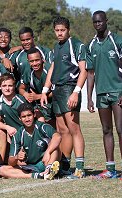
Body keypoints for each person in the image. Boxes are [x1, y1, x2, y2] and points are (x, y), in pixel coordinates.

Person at [41, 16, 87, 179]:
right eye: (57, 31)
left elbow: (84, 70)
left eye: (63, 30)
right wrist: (45, 90)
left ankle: (80, 168)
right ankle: (66, 165)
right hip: (57, 90)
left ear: (68, 30)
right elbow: (52, 68)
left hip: (69, 88)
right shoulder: (56, 46)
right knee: (62, 130)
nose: (60, 33)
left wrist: (76, 91)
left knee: (74, 128)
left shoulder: (76, 45)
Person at [87, 10, 122, 179]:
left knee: (121, 129)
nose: (98, 24)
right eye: (95, 22)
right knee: (106, 130)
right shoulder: (91, 45)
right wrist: (88, 98)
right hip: (101, 94)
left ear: (106, 21)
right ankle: (110, 169)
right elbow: (90, 73)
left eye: (100, 21)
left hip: (118, 92)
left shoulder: (117, 41)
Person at [0, 103, 61, 179]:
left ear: (34, 115)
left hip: (46, 161)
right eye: (24, 117)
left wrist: (48, 152)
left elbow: (58, 137)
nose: (27, 119)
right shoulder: (18, 135)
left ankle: (49, 170)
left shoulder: (42, 127)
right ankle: (37, 175)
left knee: (55, 149)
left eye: (29, 115)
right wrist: (17, 157)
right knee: (2, 170)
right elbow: (10, 161)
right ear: (20, 119)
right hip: (30, 166)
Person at [0, 73, 28, 169]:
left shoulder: (21, 100)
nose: (7, 88)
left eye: (10, 85)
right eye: (4, 86)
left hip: (24, 136)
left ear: (14, 86)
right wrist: (7, 127)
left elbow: (30, 121)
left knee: (22, 164)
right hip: (11, 135)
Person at [19, 48, 55, 127]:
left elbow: (57, 91)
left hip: (54, 102)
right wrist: (26, 94)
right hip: (39, 105)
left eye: (37, 60)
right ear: (28, 62)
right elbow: (21, 88)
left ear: (42, 59)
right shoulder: (28, 71)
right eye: (32, 61)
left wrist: (38, 96)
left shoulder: (49, 70)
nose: (34, 63)